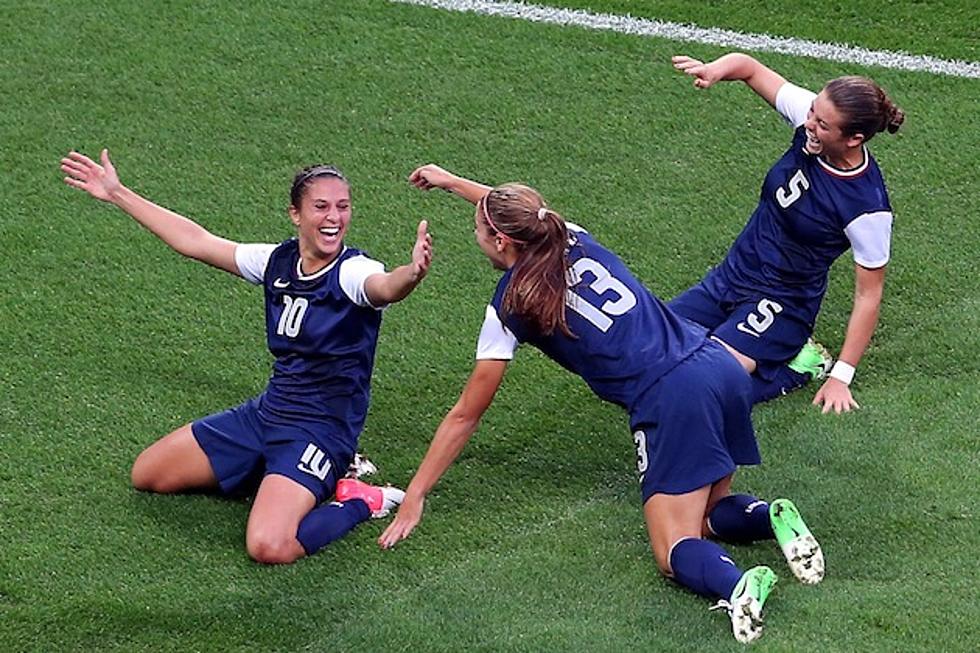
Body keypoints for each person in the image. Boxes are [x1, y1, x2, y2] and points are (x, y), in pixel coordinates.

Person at [378, 165, 824, 643]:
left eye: (479, 231)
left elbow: (467, 413)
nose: (477, 238)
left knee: (674, 549)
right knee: (709, 513)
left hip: (672, 398)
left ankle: (739, 587)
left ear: (503, 242)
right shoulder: (568, 235)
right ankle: (768, 515)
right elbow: (519, 211)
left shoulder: (511, 306)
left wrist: (417, 494)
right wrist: (452, 183)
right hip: (719, 364)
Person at [61, 149, 432, 564]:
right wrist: (117, 193)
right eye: (321, 207)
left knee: (269, 546)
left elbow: (384, 287)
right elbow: (197, 242)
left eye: (343, 207)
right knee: (148, 474)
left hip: (320, 431)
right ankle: (279, 474)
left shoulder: (352, 272)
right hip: (266, 415)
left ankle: (361, 498)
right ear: (296, 214)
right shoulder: (278, 261)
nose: (334, 218)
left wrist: (411, 274)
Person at [669, 53, 904, 412]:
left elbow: (869, 295)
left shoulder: (866, 208)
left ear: (854, 138)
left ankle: (799, 365)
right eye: (812, 113)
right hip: (731, 277)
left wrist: (842, 375)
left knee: (699, 386)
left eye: (822, 124)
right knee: (651, 348)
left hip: (782, 303)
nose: (809, 123)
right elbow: (750, 69)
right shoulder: (811, 123)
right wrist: (716, 70)